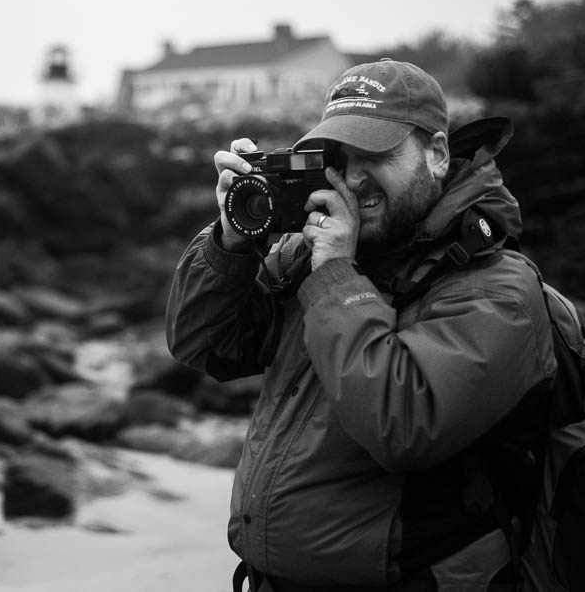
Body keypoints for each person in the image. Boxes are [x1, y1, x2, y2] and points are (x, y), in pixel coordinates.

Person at [165, 59, 557, 592]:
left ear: (437, 154)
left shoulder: (498, 290)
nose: (352, 179)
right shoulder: (319, 253)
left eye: (376, 155)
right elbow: (203, 343)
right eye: (339, 158)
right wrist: (232, 241)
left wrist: (334, 276)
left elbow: (403, 425)